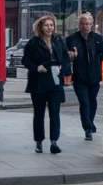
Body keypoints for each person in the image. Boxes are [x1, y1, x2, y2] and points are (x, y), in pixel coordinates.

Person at [23, 15, 72, 154]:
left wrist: (65, 71)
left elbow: (66, 58)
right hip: (39, 80)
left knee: (55, 113)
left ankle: (54, 142)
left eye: (51, 25)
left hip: (55, 80)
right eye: (46, 25)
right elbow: (25, 60)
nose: (49, 28)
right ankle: (39, 141)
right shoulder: (33, 42)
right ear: (40, 27)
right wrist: (36, 67)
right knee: (39, 113)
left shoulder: (58, 40)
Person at [66, 13, 103, 141]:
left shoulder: (97, 38)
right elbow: (65, 54)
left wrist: (97, 60)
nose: (87, 26)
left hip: (94, 76)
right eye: (84, 24)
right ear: (79, 25)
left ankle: (90, 122)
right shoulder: (72, 39)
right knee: (84, 102)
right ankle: (88, 128)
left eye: (89, 24)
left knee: (93, 101)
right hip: (79, 76)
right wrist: (71, 55)